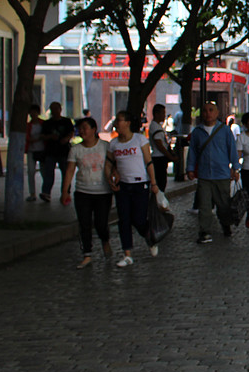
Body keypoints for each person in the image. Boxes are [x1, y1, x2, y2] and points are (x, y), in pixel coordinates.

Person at [106, 110, 160, 267]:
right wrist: (110, 177)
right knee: (124, 219)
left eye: (120, 120)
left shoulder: (139, 139)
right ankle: (127, 253)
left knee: (139, 219)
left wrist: (154, 183)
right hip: (122, 185)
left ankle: (150, 238)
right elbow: (109, 162)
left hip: (140, 184)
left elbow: (149, 162)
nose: (117, 123)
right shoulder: (114, 143)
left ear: (128, 123)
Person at [60, 117, 113, 268]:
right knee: (84, 223)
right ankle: (87, 254)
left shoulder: (105, 146)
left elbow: (114, 165)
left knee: (101, 223)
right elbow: (70, 170)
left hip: (103, 192)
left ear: (94, 129)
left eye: (85, 128)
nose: (82, 131)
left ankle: (105, 240)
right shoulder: (76, 149)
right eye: (80, 128)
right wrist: (65, 191)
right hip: (83, 191)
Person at [186, 101, 240, 243]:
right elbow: (192, 152)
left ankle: (226, 225)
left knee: (223, 204)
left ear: (216, 113)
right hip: (204, 175)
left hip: (221, 174)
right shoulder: (197, 132)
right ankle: (205, 231)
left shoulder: (224, 130)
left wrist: (235, 168)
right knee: (204, 205)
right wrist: (190, 169)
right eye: (205, 110)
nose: (208, 113)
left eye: (211, 110)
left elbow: (232, 150)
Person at [40, 101, 75, 201]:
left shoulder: (66, 121)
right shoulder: (47, 123)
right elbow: (42, 136)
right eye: (52, 109)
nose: (54, 111)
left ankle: (66, 192)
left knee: (66, 172)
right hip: (50, 151)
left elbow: (71, 132)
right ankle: (46, 192)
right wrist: (50, 136)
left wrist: (66, 139)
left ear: (60, 109)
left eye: (56, 108)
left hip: (63, 151)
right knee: (48, 173)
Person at [148, 103, 172, 192]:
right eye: (162, 113)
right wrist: (170, 156)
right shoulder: (155, 127)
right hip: (159, 158)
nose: (164, 115)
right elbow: (160, 145)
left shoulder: (157, 126)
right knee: (161, 183)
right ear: (156, 114)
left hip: (160, 157)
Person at [25, 105, 45, 202]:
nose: (33, 114)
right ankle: (32, 193)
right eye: (31, 112)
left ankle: (45, 192)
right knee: (31, 171)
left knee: (44, 172)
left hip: (42, 150)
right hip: (31, 150)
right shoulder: (28, 125)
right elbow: (27, 137)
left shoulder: (43, 124)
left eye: (35, 112)